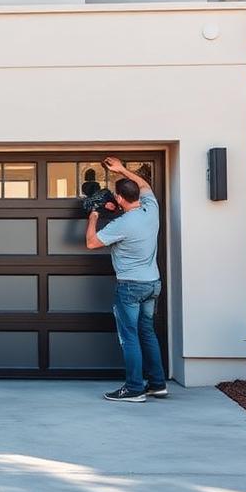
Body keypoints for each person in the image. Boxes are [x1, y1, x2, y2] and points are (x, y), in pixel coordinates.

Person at [85, 156, 167, 403]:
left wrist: (94, 216)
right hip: (152, 284)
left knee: (129, 337)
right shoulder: (151, 209)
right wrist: (122, 170)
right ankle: (157, 384)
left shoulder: (122, 223)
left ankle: (134, 388)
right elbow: (144, 185)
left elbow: (91, 243)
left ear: (119, 199)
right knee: (147, 333)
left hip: (130, 286)